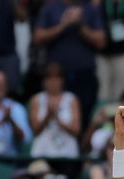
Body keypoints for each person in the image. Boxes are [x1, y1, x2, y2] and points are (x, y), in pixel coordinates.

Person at [33, 0, 106, 133]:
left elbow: (101, 41)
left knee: (84, 117)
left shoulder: (90, 8)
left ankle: (83, 150)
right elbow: (37, 37)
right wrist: (63, 25)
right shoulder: (51, 7)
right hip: (56, 75)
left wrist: (80, 25)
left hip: (84, 74)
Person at [28, 63, 81, 162]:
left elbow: (76, 130)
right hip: (42, 152)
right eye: (49, 79)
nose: (53, 82)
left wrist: (57, 118)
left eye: (57, 78)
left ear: (62, 81)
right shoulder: (36, 99)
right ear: (44, 81)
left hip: (67, 154)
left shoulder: (72, 99)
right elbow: (35, 130)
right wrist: (48, 115)